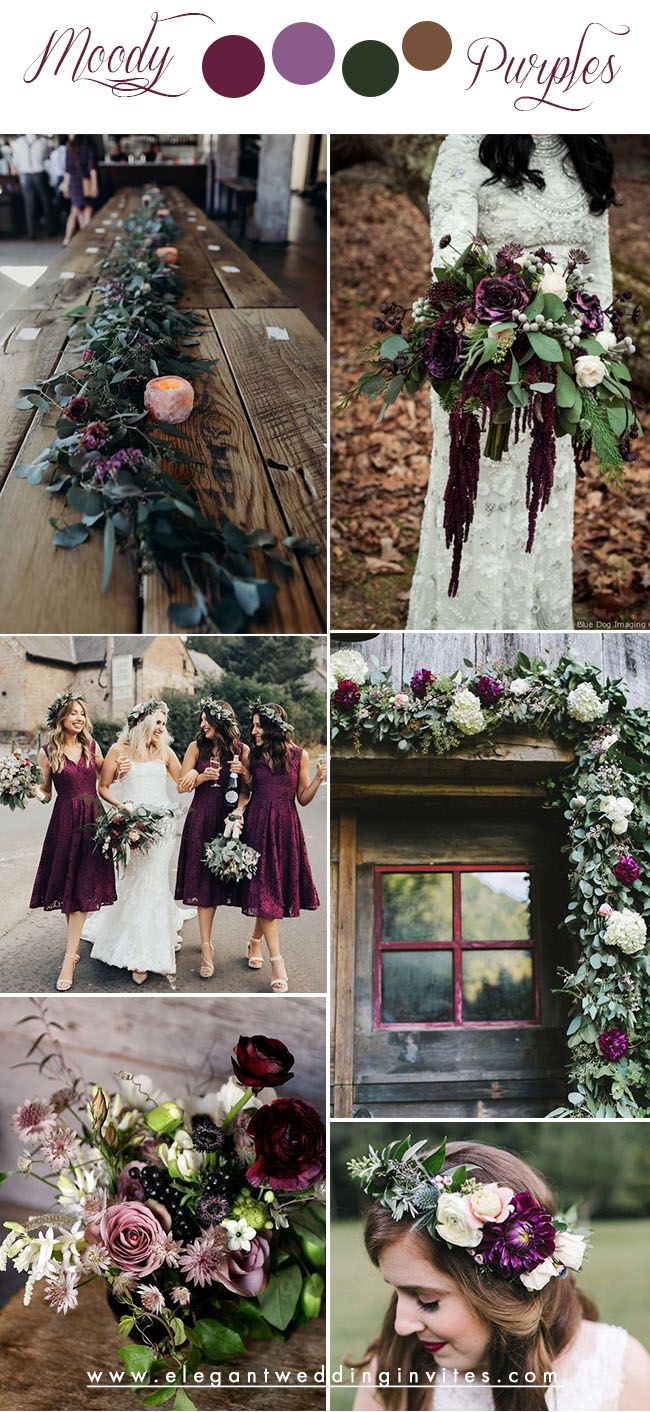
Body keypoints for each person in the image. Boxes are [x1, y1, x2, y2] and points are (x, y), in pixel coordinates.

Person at [407, 135, 616, 633]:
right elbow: (451, 252)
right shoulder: (468, 143)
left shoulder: (586, 151)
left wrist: (597, 345)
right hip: (488, 358)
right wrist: (503, 321)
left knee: (541, 499)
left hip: (563, 365)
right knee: (477, 495)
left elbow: (598, 265)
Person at [349, 1137, 650, 1411]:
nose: (401, 1325)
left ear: (502, 1294)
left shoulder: (621, 1370)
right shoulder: (392, 1372)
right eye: (396, 1290)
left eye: (427, 1300)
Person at [84, 699, 194, 985]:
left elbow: (182, 782)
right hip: (133, 825)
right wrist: (123, 809)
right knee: (133, 880)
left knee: (154, 881)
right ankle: (131, 943)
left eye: (163, 723)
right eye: (157, 721)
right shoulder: (119, 751)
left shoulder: (165, 752)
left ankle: (147, 952)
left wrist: (198, 774)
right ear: (142, 722)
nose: (162, 727)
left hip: (162, 826)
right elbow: (103, 787)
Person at [29, 693, 117, 992]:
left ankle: (69, 957)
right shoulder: (47, 751)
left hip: (92, 818)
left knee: (81, 887)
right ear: (62, 719)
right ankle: (73, 947)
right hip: (65, 821)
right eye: (73, 714)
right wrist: (30, 790)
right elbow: (45, 794)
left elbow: (108, 775)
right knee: (71, 887)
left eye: (82, 713)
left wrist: (123, 769)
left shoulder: (92, 746)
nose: (79, 718)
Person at [238, 702, 325, 993]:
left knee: (272, 894)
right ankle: (277, 961)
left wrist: (318, 780)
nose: (254, 731)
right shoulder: (254, 755)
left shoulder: (300, 755)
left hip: (286, 828)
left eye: (258, 725)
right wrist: (243, 772)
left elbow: (303, 798)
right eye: (252, 725)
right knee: (266, 893)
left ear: (273, 726)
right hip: (258, 825)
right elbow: (247, 791)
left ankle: (255, 941)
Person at [175, 698, 251, 980]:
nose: (202, 724)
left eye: (206, 719)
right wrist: (200, 777)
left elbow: (247, 790)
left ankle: (252, 944)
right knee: (203, 885)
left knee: (222, 882)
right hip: (201, 817)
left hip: (226, 819)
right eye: (201, 719)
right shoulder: (196, 748)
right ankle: (206, 946)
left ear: (221, 721)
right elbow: (182, 786)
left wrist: (240, 811)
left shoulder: (242, 750)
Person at [10, 134, 54, 238]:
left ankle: (31, 232)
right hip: (38, 173)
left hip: (25, 175)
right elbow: (47, 155)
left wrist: (16, 171)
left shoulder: (19, 142)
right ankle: (50, 228)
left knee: (29, 204)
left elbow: (15, 161)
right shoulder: (42, 141)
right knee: (45, 202)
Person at [61, 136, 96, 246]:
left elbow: (68, 170)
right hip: (85, 182)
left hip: (73, 183)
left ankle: (68, 239)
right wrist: (94, 186)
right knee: (86, 209)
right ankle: (84, 238)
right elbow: (92, 169)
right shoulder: (89, 148)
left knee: (76, 210)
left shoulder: (69, 148)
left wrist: (66, 185)